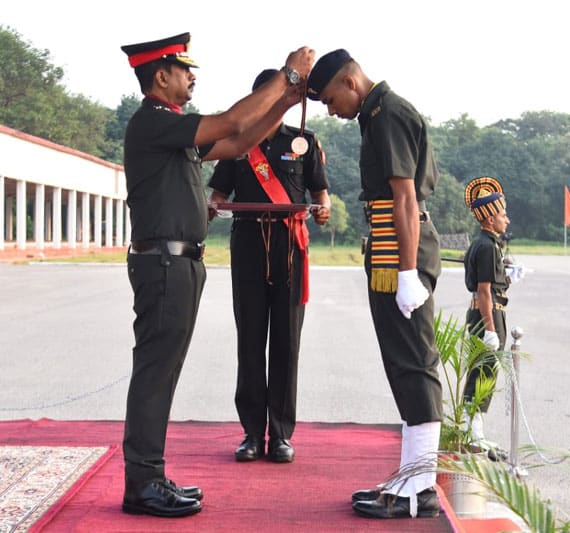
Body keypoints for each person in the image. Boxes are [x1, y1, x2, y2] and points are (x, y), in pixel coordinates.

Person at [119, 33, 314, 518]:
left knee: (163, 372)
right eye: (183, 69)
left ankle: (151, 475)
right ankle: (142, 482)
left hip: (179, 263)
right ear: (160, 76)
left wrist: (285, 101)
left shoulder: (172, 129)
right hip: (164, 263)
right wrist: (286, 76)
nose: (192, 76)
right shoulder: (153, 123)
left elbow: (241, 138)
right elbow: (231, 121)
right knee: (155, 372)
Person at [306, 49, 443, 519]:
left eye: (328, 99)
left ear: (349, 81)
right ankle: (411, 476)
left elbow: (405, 199)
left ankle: (421, 487)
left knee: (415, 363)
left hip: (400, 250)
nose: (329, 110)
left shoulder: (388, 115)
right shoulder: (374, 116)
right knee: (402, 365)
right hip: (388, 248)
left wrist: (408, 273)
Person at [207, 69, 331, 464]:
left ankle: (280, 435)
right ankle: (249, 433)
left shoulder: (304, 142)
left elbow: (320, 193)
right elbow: (218, 193)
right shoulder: (237, 145)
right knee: (250, 340)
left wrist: (324, 209)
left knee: (286, 341)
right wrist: (209, 208)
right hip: (247, 243)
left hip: (289, 245)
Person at [461, 176, 512, 454]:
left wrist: (507, 273)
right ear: (490, 219)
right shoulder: (487, 246)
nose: (507, 220)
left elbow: (491, 283)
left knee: (483, 372)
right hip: (487, 315)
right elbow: (483, 291)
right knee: (483, 373)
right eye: (503, 215)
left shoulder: (487, 243)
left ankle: (474, 429)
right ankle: (473, 430)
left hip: (488, 312)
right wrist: (491, 329)